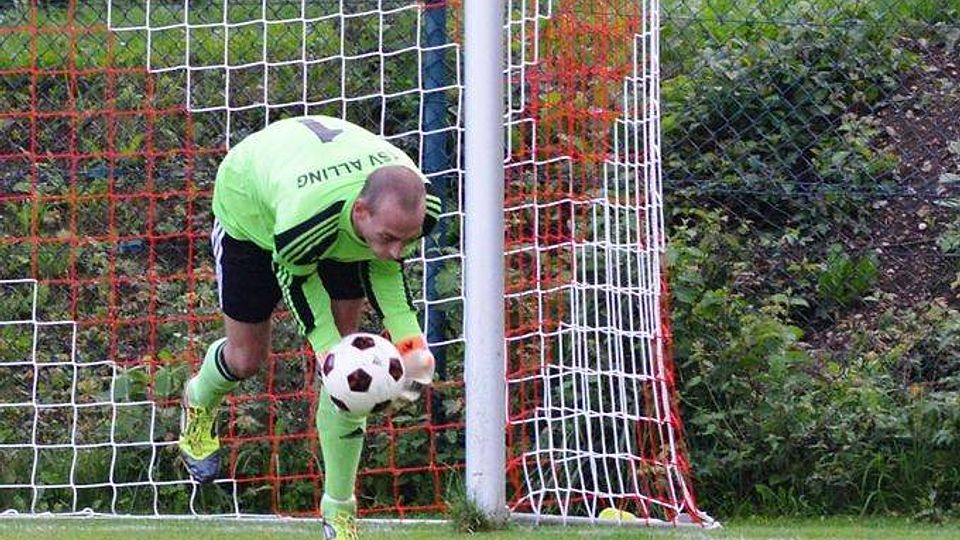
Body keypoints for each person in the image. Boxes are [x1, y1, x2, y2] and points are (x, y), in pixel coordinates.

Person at [177, 115, 440, 540]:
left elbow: (387, 270)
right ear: (361, 211)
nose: (397, 250)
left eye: (405, 241)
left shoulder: (417, 211)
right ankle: (198, 399)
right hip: (253, 213)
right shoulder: (306, 222)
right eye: (390, 237)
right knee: (246, 359)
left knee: (348, 371)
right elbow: (298, 281)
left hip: (328, 217)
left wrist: (413, 349)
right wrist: (327, 350)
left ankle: (339, 513)